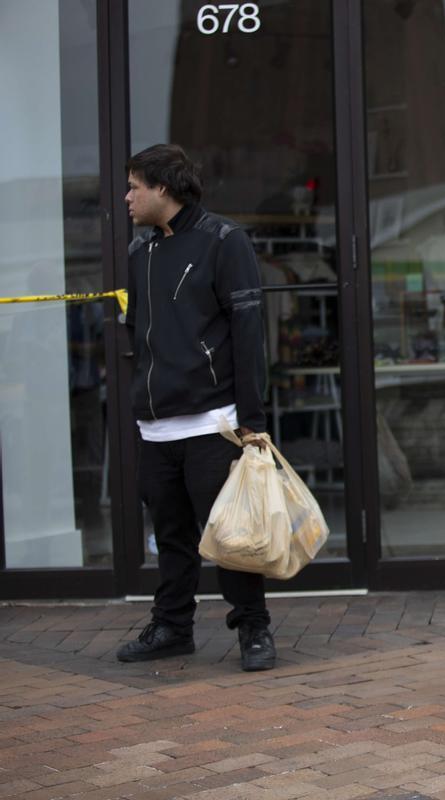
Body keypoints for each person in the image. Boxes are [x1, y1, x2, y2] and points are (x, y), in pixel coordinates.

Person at [116, 144, 276, 672]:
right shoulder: (141, 253)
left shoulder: (224, 241)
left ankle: (252, 626)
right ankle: (171, 627)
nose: (127, 196)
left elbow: (250, 331)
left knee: (231, 535)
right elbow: (137, 332)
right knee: (171, 536)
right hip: (156, 425)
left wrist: (252, 418)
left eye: (135, 186)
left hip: (215, 421)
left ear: (163, 187)